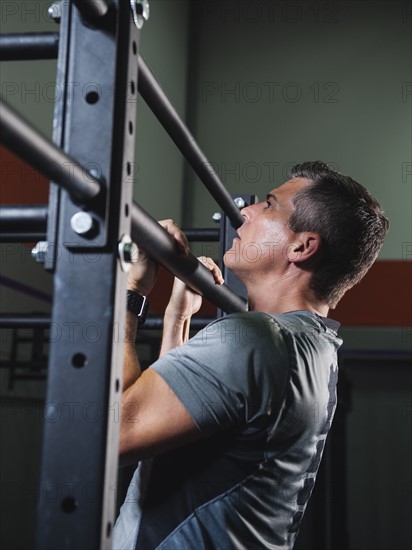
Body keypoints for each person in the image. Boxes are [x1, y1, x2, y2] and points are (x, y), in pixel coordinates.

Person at [113, 161, 389, 549]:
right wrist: (176, 323)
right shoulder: (313, 347)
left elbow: (113, 433)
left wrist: (131, 290)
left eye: (270, 205)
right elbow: (171, 420)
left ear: (301, 246)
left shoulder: (255, 339)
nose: (245, 211)